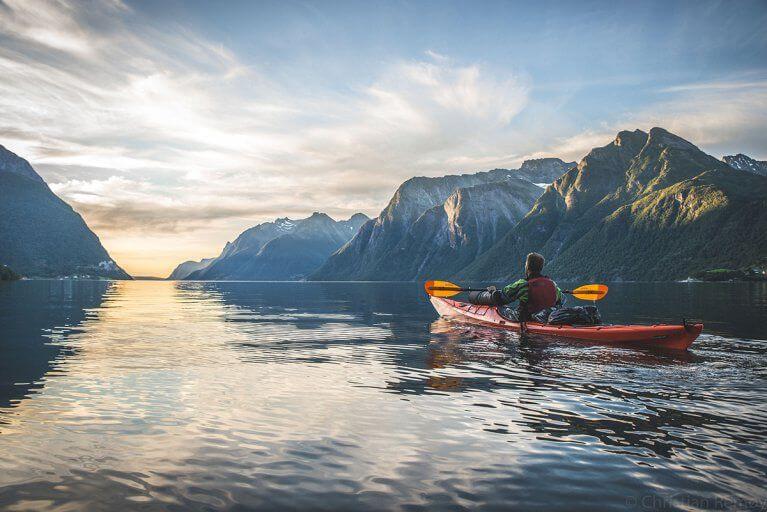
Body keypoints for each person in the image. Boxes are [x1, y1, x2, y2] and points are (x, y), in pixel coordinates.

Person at [499, 252, 563, 322]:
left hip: (525, 318)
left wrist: (493, 292)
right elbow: (562, 299)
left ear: (527, 267)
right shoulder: (553, 284)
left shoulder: (523, 284)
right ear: (541, 267)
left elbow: (504, 294)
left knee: (502, 309)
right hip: (545, 318)